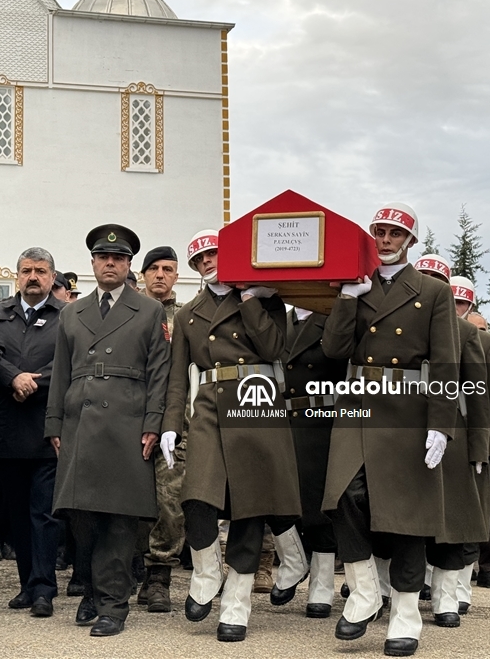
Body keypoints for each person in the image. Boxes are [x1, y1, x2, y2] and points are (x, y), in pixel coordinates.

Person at [320, 203, 458, 658]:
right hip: (358, 404)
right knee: (343, 496)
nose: (385, 239)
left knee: (406, 517)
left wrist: (441, 424)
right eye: (379, 230)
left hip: (407, 410)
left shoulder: (433, 292)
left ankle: (405, 615)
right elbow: (334, 348)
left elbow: (445, 362)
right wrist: (346, 298)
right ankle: (363, 593)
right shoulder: (356, 283)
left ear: (410, 241)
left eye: (395, 233)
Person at [161, 228, 300, 643]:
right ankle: (206, 572)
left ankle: (237, 603)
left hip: (255, 402)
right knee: (198, 498)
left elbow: (275, 348)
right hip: (208, 404)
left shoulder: (266, 299)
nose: (208, 261)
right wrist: (170, 425)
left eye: (214, 253)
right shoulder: (188, 314)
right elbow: (175, 377)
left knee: (250, 507)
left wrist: (248, 299)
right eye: (200, 258)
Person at [45, 224, 170, 637]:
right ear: (94, 263)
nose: (110, 263)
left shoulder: (149, 311)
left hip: (127, 423)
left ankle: (113, 605)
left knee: (119, 518)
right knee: (81, 515)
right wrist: (53, 425)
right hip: (80, 423)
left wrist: (153, 424)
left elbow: (159, 375)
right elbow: (60, 372)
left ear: (129, 264)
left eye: (118, 258)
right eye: (103, 257)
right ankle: (95, 593)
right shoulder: (70, 313)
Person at [414, 258, 490, 629]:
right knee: (401, 516)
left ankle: (445, 597)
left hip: (452, 436)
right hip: (404, 430)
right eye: (423, 277)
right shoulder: (396, 322)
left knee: (450, 522)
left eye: (436, 280)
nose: (428, 285)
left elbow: (478, 397)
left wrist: (481, 447)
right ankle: (390, 592)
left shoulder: (466, 333)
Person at [0, 247, 63, 617]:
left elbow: (69, 361)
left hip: (46, 426)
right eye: (26, 270)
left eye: (41, 271)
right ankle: (25, 584)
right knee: (16, 512)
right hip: (6, 426)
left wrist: (34, 381)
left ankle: (44, 588)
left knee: (43, 513)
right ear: (17, 276)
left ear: (52, 276)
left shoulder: (67, 317)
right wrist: (10, 377)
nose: (33, 277)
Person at [273, 302, 349, 618]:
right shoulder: (278, 319)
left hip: (320, 417)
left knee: (318, 507)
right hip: (277, 415)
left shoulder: (332, 318)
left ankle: (322, 586)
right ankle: (294, 560)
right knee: (272, 498)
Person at [136, 245, 183, 612]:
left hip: (173, 422)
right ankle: (129, 568)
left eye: (168, 269)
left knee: (169, 500)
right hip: (131, 419)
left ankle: (158, 576)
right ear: (143, 274)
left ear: (176, 276)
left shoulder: (185, 317)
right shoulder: (131, 312)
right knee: (131, 499)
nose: (160, 275)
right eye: (154, 268)